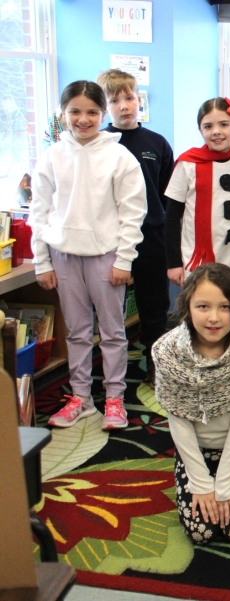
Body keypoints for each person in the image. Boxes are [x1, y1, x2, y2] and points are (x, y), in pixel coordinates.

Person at [33, 80, 147, 430]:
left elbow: (133, 211)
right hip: (64, 255)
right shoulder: (52, 155)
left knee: (113, 332)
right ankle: (80, 397)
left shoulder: (119, 156)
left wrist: (123, 259)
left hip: (105, 256)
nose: (83, 119)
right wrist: (42, 261)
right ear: (63, 113)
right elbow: (39, 210)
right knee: (77, 332)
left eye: (92, 112)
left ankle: (114, 399)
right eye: (75, 112)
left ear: (102, 113)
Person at [153, 263, 230, 545]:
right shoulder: (168, 353)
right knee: (201, 532)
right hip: (195, 450)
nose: (214, 318)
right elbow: (178, 423)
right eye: (203, 306)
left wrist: (225, 487)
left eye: (225, 307)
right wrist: (202, 485)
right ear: (187, 307)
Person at [97, 69, 174, 388]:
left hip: (151, 238)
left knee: (154, 306)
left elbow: (167, 195)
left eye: (129, 97)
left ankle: (154, 364)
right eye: (114, 101)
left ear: (138, 99)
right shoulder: (98, 143)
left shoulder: (156, 143)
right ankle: (110, 373)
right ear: (105, 107)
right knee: (108, 309)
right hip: (108, 240)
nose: (124, 106)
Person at [164, 98, 230, 298]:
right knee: (197, 313)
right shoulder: (187, 164)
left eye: (224, 124)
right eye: (208, 126)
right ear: (201, 130)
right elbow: (172, 218)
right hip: (195, 260)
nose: (216, 131)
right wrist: (173, 263)